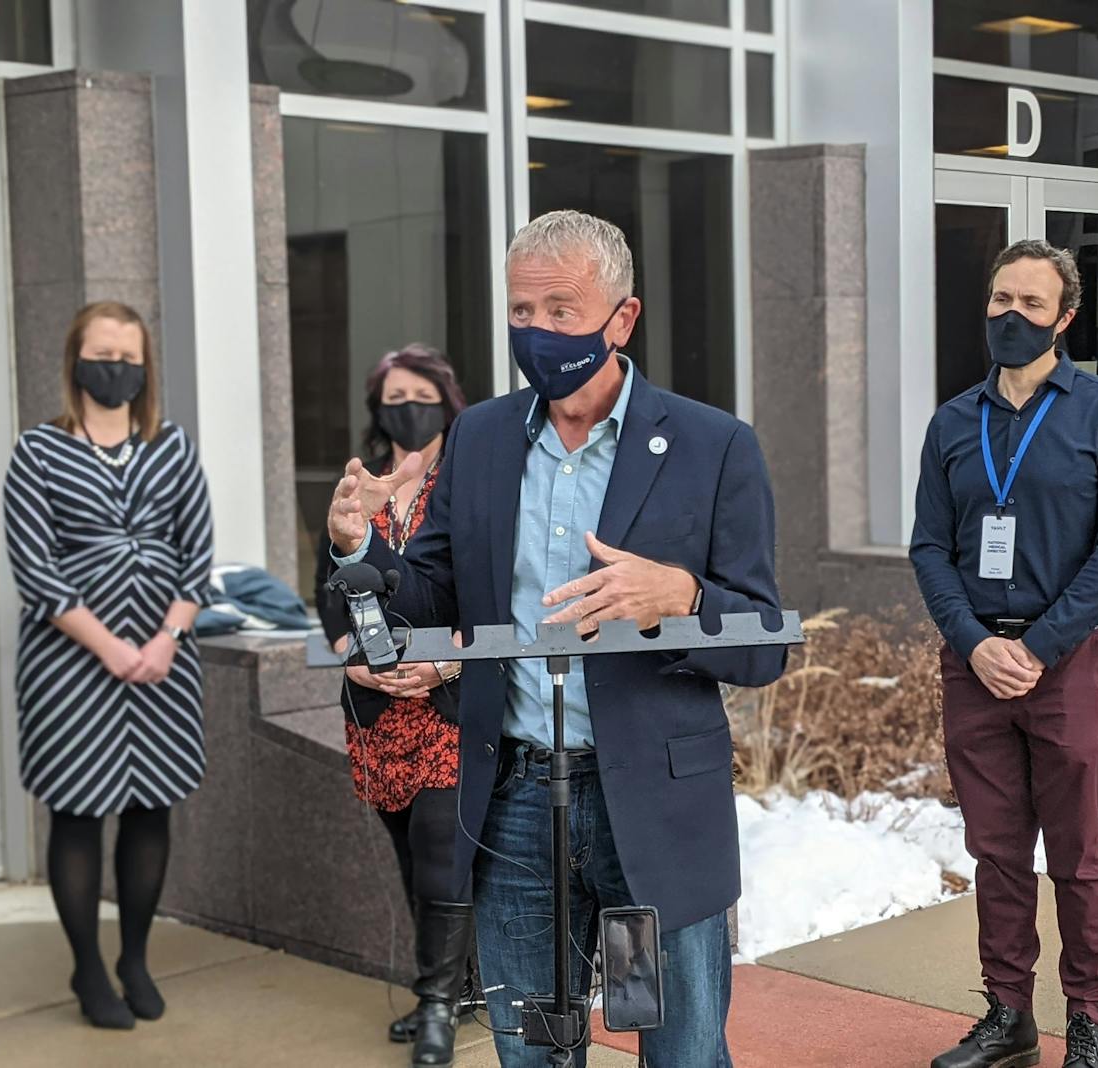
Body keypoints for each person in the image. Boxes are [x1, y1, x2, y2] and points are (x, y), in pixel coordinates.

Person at [326, 210, 785, 1066]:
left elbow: (764, 645)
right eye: (521, 312)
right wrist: (362, 547)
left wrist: (676, 597)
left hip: (648, 812)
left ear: (623, 318)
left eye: (561, 311)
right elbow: (430, 593)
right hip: (517, 806)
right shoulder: (482, 435)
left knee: (677, 1049)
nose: (536, 332)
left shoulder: (713, 446)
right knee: (533, 1050)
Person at [910, 240, 1098, 1068]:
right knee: (997, 852)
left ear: (1065, 319)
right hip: (975, 668)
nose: (1010, 316)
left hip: (1069, 666)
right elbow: (928, 549)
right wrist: (973, 644)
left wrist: (1041, 648)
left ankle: (1090, 1020)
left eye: (1031, 304)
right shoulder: (952, 422)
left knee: (1079, 857)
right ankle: (1008, 1012)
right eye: (999, 299)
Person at [3, 301, 214, 1030]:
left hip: (164, 659)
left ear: (145, 367)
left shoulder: (173, 445)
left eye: (129, 356)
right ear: (75, 361)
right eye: (103, 354)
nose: (116, 367)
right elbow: (37, 568)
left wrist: (166, 640)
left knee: (151, 805)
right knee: (78, 809)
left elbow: (198, 551)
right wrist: (112, 648)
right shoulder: (37, 452)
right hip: (71, 665)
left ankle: (133, 957)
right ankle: (88, 967)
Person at [313, 344, 473, 1066]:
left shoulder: (469, 482)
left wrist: (447, 660)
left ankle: (438, 1003)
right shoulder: (358, 485)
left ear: (445, 399)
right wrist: (352, 654)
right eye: (393, 395)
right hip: (377, 708)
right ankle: (452, 986)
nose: (407, 406)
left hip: (448, 701)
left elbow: (490, 588)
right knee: (412, 857)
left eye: (420, 392)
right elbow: (329, 588)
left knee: (443, 853)